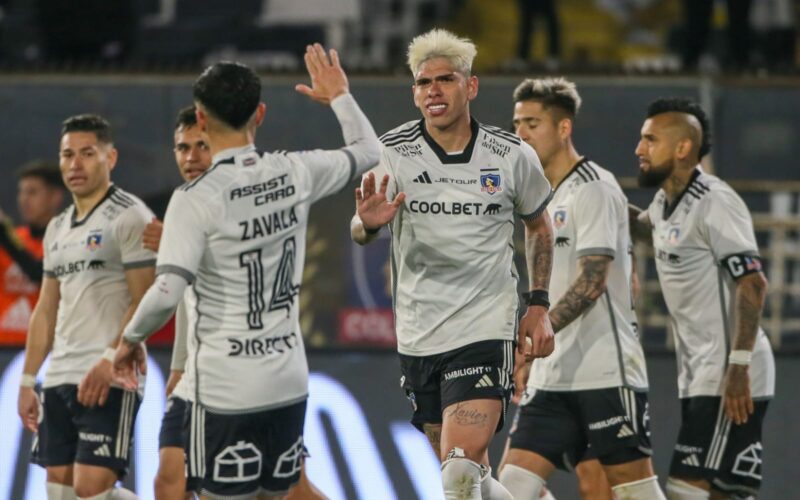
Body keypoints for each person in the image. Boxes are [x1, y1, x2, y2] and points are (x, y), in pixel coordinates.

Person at [113, 45, 380, 500]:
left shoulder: (195, 199)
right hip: (288, 380)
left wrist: (126, 342)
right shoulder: (296, 171)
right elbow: (369, 151)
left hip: (225, 388)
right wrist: (339, 96)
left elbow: (165, 292)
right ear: (260, 113)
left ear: (200, 118)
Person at [351, 29, 555, 500]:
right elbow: (358, 231)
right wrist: (368, 224)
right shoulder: (393, 152)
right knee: (470, 474)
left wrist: (538, 304)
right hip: (421, 333)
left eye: (446, 79)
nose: (434, 91)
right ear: (415, 93)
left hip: (485, 326)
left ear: (472, 86)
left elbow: (540, 226)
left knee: (458, 474)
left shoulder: (510, 155)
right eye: (424, 83)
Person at [147, 106, 327, 500]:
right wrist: (180, 365)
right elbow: (188, 293)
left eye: (201, 146)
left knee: (294, 490)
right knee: (169, 481)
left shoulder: (248, 198)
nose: (191, 157)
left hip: (253, 376)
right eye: (182, 147)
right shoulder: (189, 201)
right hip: (204, 375)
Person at [498, 78, 664, 500]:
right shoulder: (537, 197)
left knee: (632, 493)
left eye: (533, 123)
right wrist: (533, 355)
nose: (522, 133)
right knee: (511, 490)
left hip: (605, 372)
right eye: (518, 123)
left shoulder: (594, 186)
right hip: (553, 377)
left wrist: (536, 334)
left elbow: (592, 281)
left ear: (564, 128)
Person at [632, 97, 774, 500]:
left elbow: (753, 283)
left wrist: (738, 367)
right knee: (722, 493)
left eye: (650, 140)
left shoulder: (715, 200)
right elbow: (647, 231)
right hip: (701, 375)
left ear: (682, 148)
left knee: (684, 490)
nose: (639, 149)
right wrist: (597, 196)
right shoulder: (663, 202)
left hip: (730, 375)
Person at [17, 114, 155, 500]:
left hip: (109, 375)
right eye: (67, 155)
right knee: (60, 493)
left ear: (110, 158)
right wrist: (29, 381)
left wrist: (112, 357)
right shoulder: (58, 228)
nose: (74, 164)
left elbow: (147, 298)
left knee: (91, 488)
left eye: (87, 153)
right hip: (60, 375)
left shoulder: (130, 216)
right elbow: (46, 307)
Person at [0, 161, 64, 346]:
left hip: (44, 349)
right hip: (4, 347)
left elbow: (38, 274)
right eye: (22, 192)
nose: (24, 199)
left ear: (55, 197)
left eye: (32, 192)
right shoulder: (14, 239)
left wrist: (4, 232)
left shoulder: (68, 241)